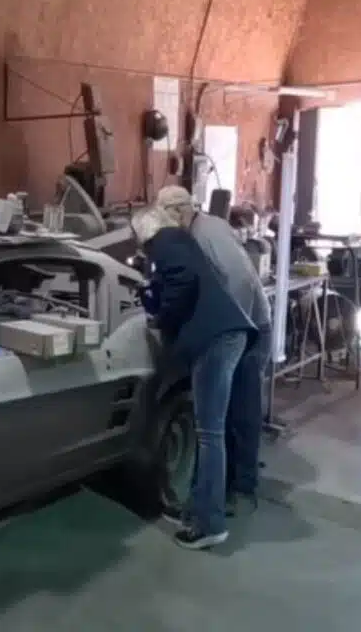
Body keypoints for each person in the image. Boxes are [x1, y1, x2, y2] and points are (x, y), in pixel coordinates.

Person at [130, 205, 257, 550]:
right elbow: (180, 280)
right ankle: (197, 510)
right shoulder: (182, 241)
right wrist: (152, 294)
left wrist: (164, 319)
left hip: (216, 340)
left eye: (138, 241)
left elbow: (183, 280)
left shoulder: (165, 241)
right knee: (208, 431)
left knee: (209, 433)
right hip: (226, 335)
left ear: (144, 233)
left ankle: (210, 524)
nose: (141, 249)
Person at [155, 186, 272, 517]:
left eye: (165, 219)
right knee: (229, 415)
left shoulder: (204, 235)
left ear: (177, 213)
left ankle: (237, 493)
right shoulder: (207, 226)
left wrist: (227, 330)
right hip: (245, 323)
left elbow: (240, 282)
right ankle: (229, 490)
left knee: (236, 414)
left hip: (248, 326)